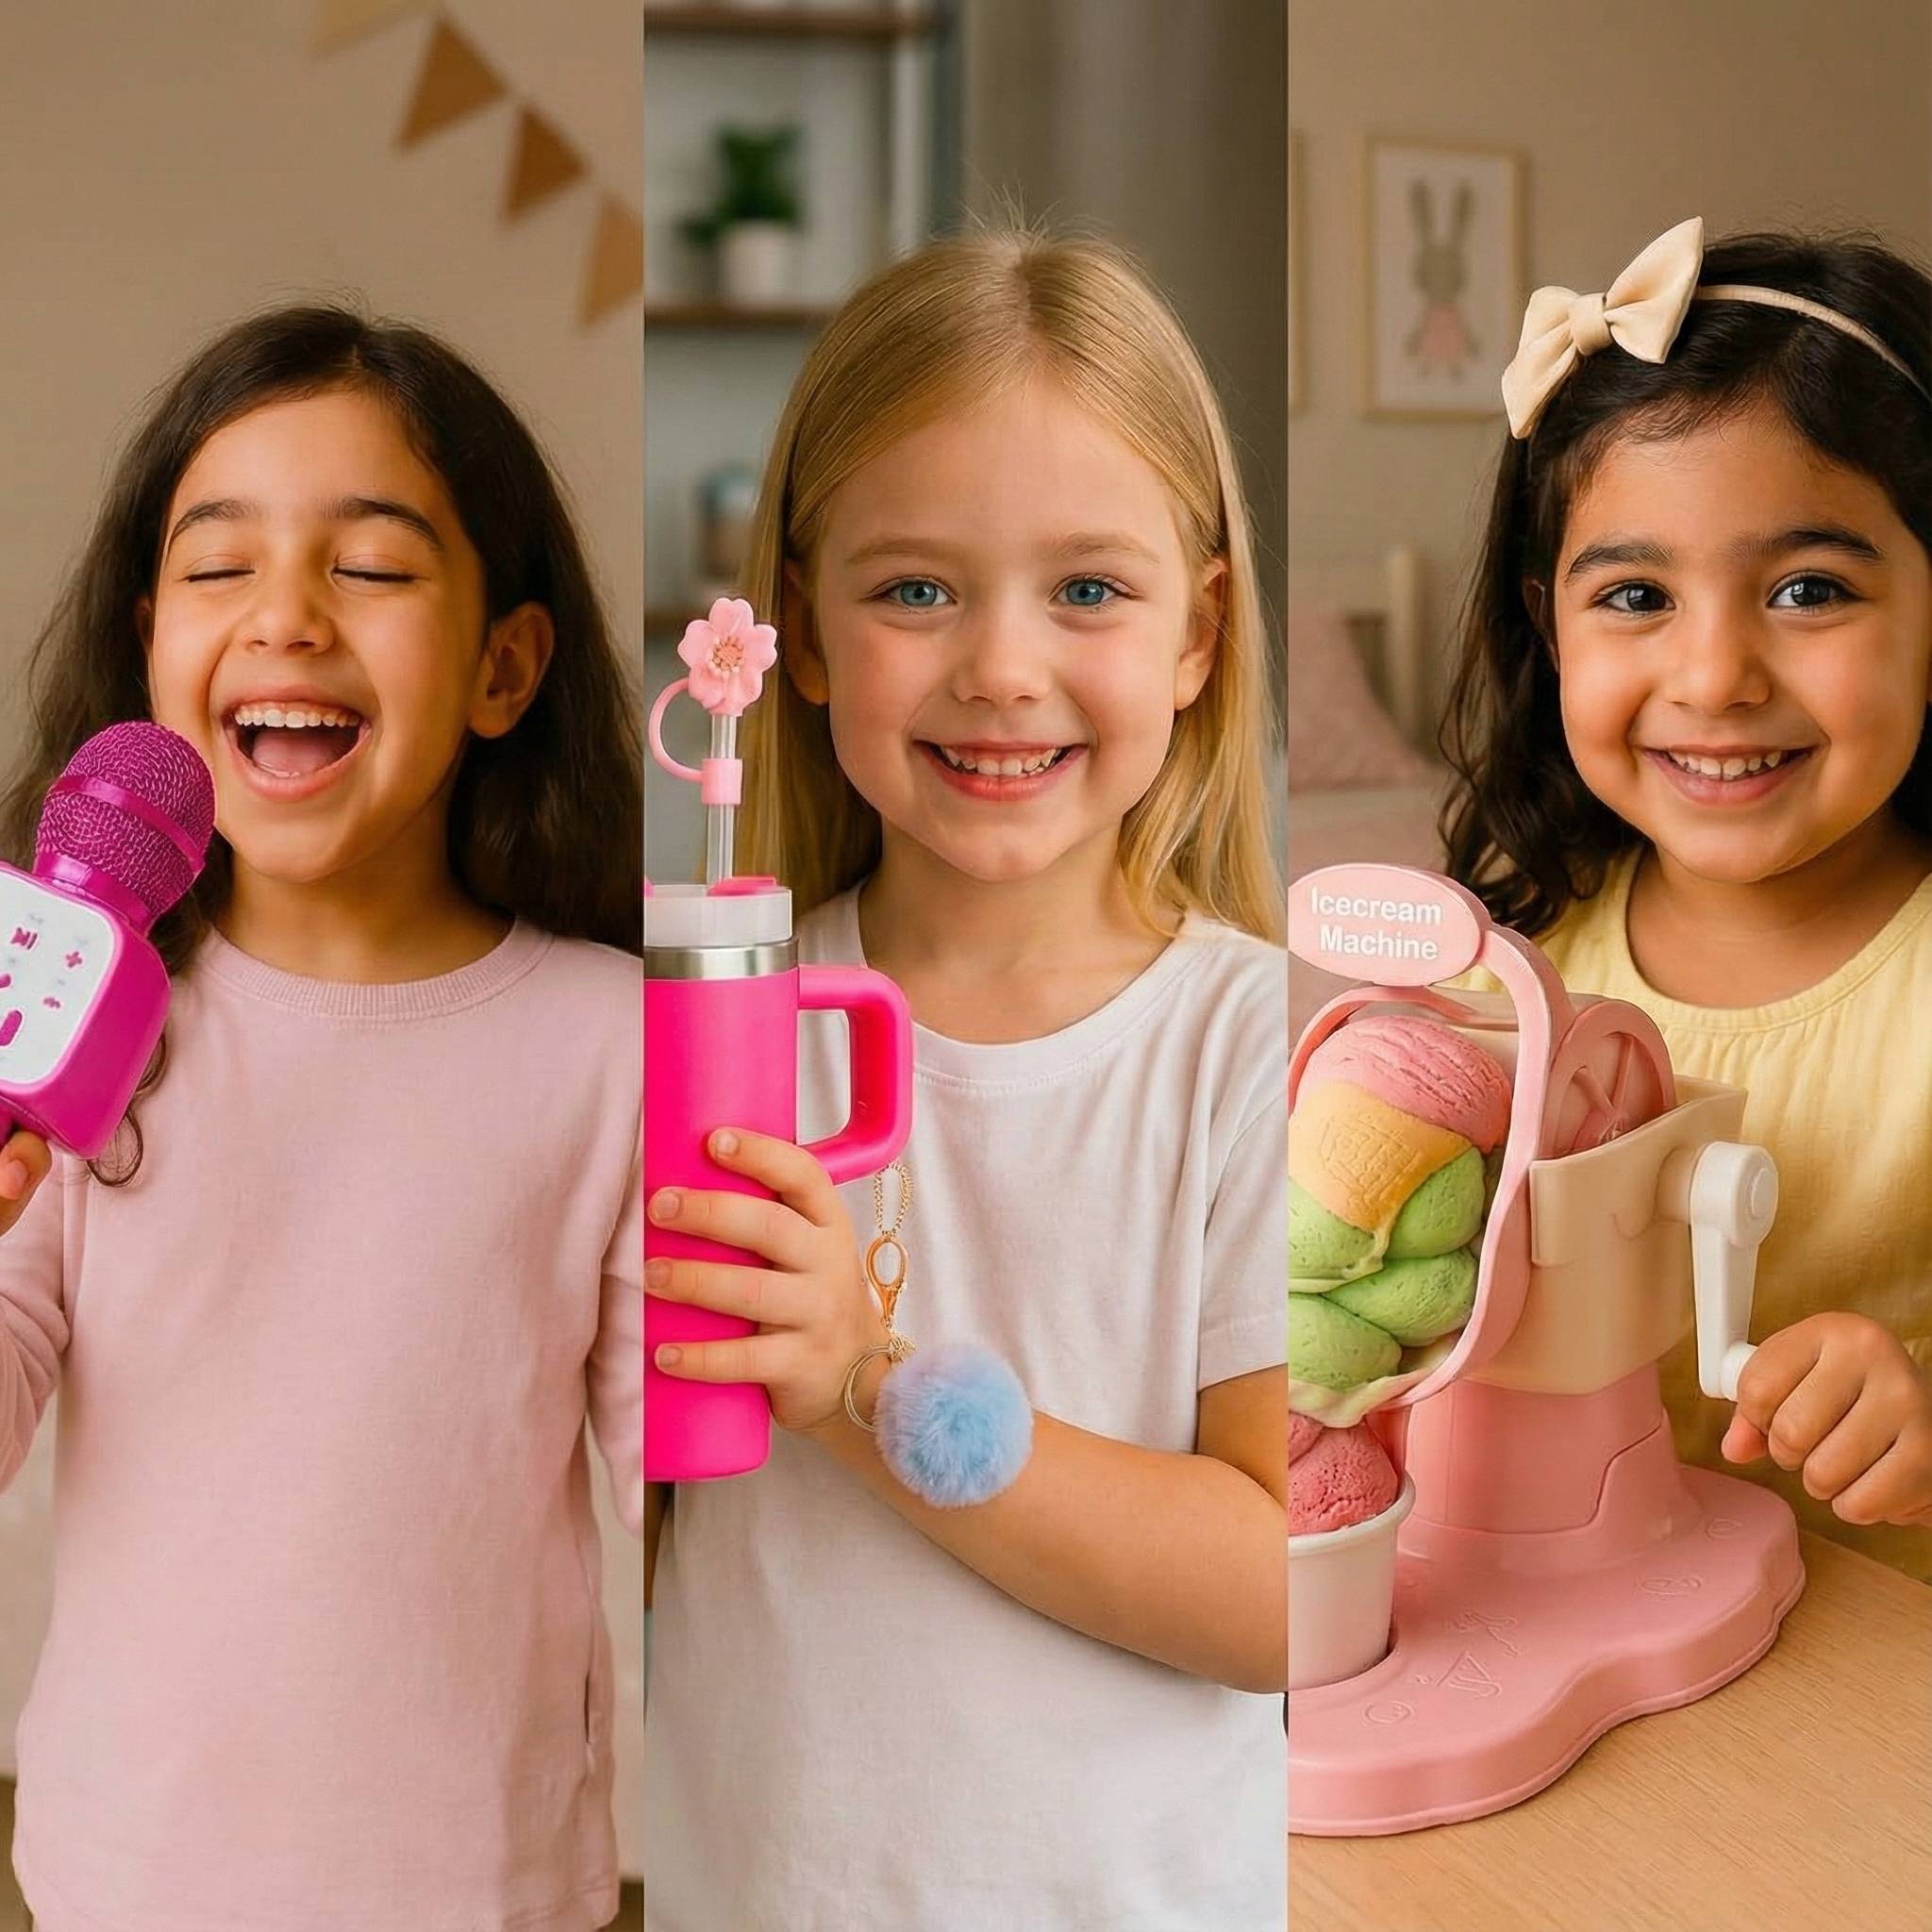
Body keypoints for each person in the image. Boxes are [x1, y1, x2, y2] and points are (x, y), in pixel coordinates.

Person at [641, 226, 1289, 1929]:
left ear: (1200, 634)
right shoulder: (720, 1022)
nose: (1001, 665)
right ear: (800, 628)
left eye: (1088, 588)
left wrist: (863, 1380)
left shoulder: (1254, 1046)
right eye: (916, 588)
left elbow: (1279, 1591)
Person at [0, 307, 644, 1928]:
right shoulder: (75, 1023)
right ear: (153, 647)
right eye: (219, 569)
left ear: (504, 665)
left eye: (367, 566)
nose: (284, 615)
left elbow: (689, 1491)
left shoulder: (609, 1043)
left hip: (485, 1893)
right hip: (115, 1878)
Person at [1441, 218, 1932, 1578]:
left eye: (1809, 588)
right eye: (1640, 595)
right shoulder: (1504, 981)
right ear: (1550, 629)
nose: (1715, 678)